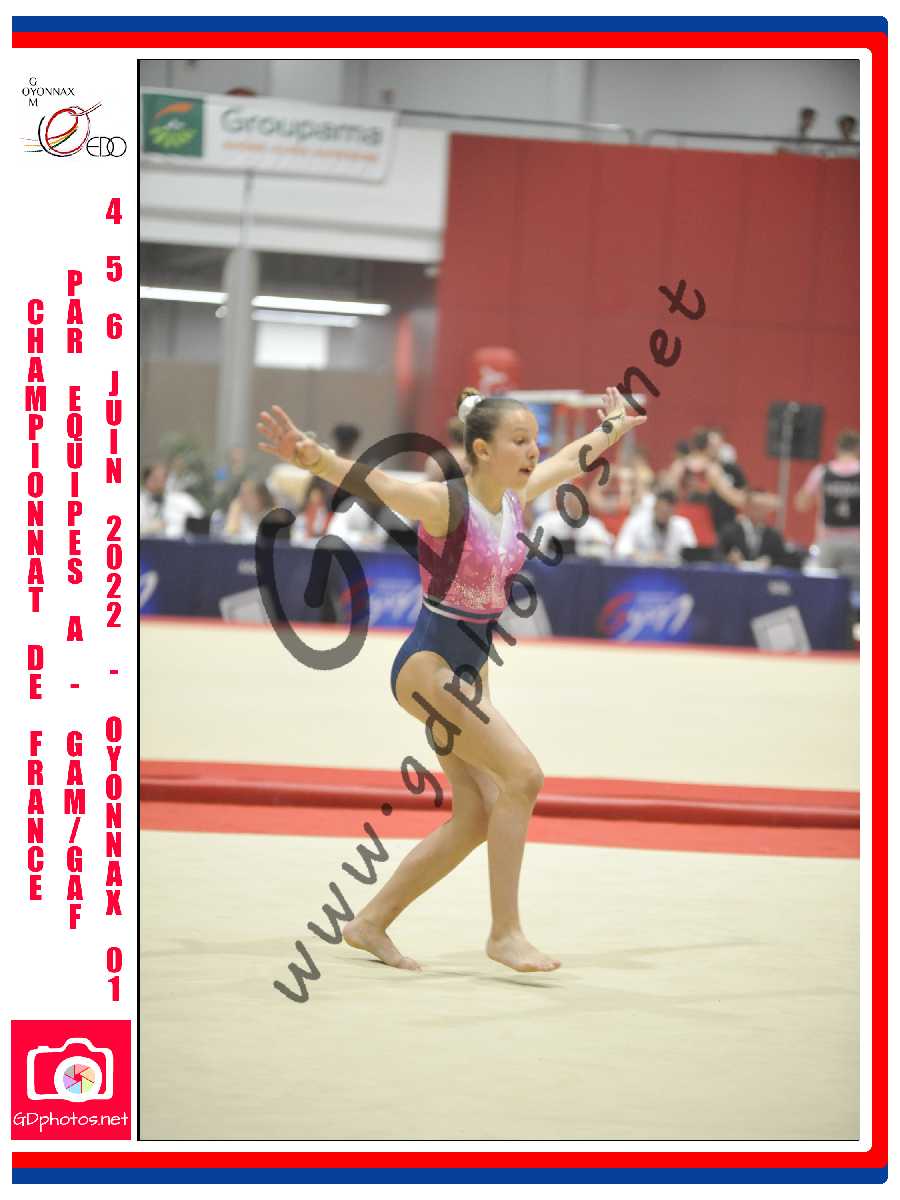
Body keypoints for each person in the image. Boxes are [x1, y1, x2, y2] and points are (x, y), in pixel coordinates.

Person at [257, 386, 645, 974]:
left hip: (471, 671)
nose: (534, 451)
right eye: (520, 441)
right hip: (429, 667)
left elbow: (573, 459)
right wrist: (311, 457)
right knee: (523, 776)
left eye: (534, 441)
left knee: (477, 816)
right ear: (482, 449)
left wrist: (614, 424)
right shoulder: (446, 504)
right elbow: (376, 484)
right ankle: (505, 933)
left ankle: (370, 922)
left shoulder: (515, 497)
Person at [794, 430, 860, 588]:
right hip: (857, 541)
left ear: (836, 448)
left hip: (827, 540)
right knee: (857, 590)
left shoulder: (822, 472)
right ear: (858, 449)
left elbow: (801, 504)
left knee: (821, 588)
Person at [666, 428, 746, 533]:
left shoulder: (679, 465)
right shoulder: (711, 468)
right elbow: (730, 496)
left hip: (680, 517)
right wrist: (748, 502)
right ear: (709, 447)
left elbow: (668, 492)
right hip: (701, 519)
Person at [614, 487, 697, 564]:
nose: (664, 514)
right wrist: (646, 556)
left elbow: (692, 555)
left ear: (674, 511)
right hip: (642, 570)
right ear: (654, 507)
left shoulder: (682, 525)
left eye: (667, 511)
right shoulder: (636, 522)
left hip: (673, 571)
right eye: (661, 510)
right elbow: (621, 550)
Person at [718, 489, 787, 568]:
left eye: (762, 507)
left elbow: (784, 559)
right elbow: (717, 555)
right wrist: (729, 559)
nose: (759, 511)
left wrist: (771, 561)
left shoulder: (774, 535)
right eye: (756, 507)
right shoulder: (729, 531)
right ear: (746, 507)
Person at [140, 463, 204, 538]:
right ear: (146, 480)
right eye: (156, 478)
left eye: (164, 478)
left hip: (179, 542)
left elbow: (202, 519)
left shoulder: (183, 500)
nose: (161, 482)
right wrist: (149, 529)